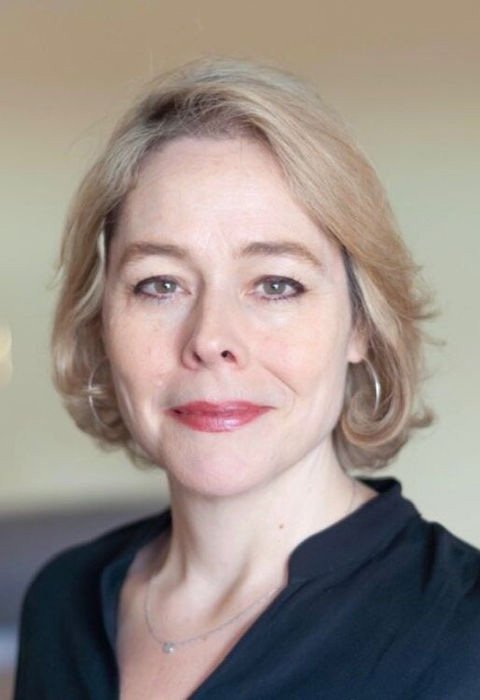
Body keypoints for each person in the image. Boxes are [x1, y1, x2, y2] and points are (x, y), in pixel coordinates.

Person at [14, 58, 480, 699]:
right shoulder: (60, 604)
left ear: (360, 324)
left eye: (276, 285)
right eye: (160, 284)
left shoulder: (464, 635)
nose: (210, 339)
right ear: (101, 323)